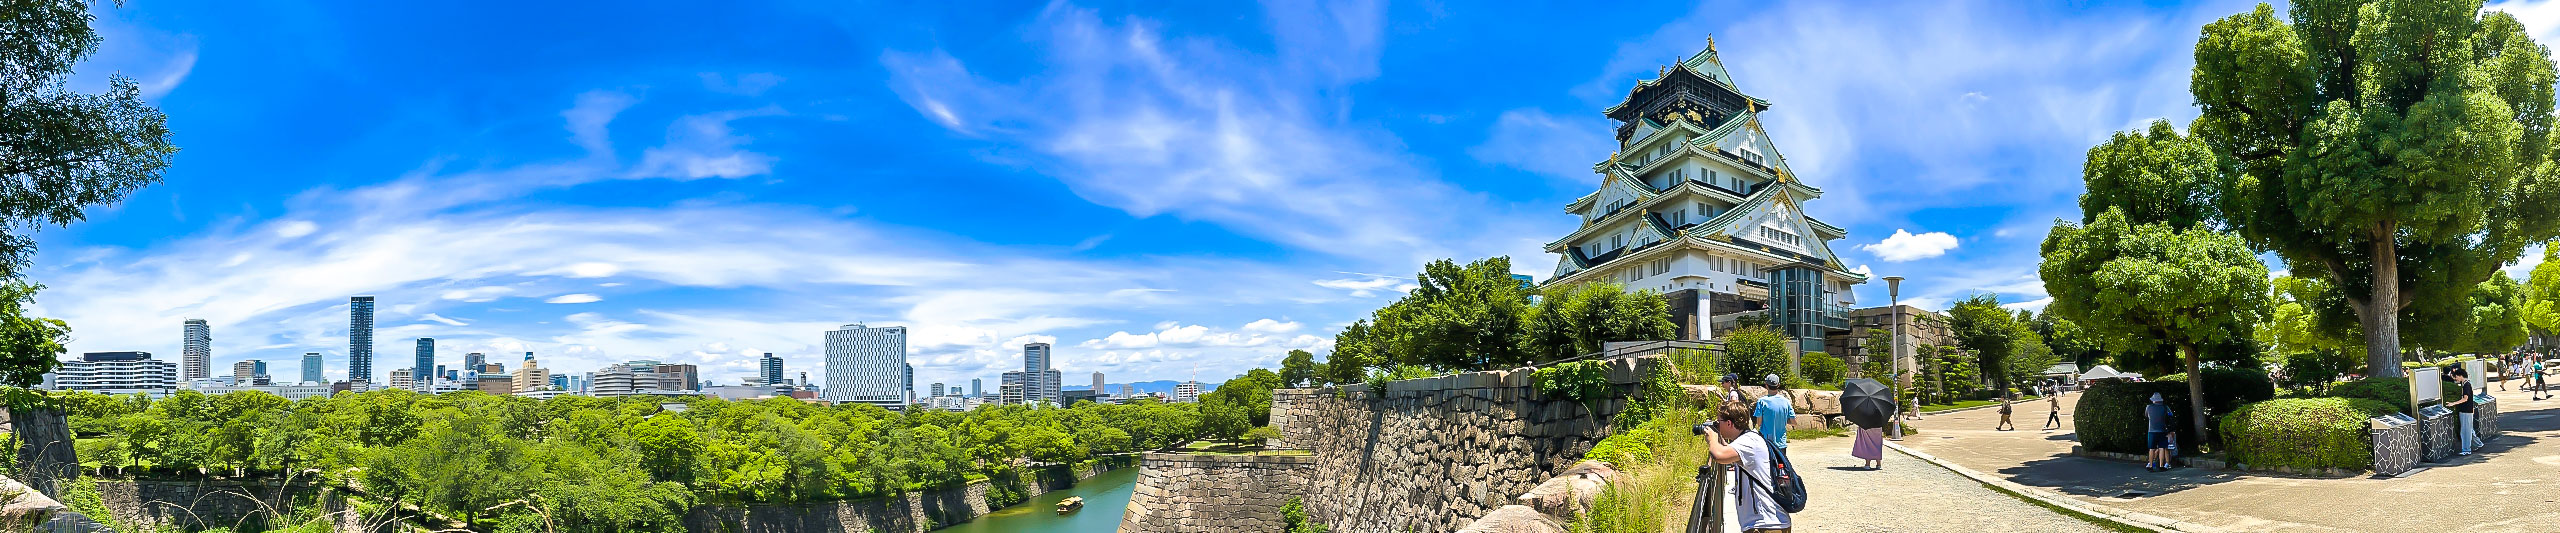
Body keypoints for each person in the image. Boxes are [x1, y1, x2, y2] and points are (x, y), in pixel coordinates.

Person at [1706, 401, 1792, 532]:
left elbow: (1719, 455)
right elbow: (1727, 450)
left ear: (1729, 423)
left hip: (1766, 525)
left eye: (1718, 422)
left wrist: (1712, 438)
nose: (1717, 426)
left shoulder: (1748, 442)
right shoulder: (1749, 439)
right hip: (1765, 523)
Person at [1754, 374, 1794, 450]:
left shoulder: (1762, 401)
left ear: (1766, 385)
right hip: (1781, 442)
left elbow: (1759, 423)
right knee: (1781, 462)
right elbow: (1793, 422)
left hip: (1767, 442)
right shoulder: (1786, 401)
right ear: (1778, 385)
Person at [2449, 367, 2478, 456]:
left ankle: (2466, 449)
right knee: (2469, 430)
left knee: (2465, 431)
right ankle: (2478, 444)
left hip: (2465, 411)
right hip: (2467, 410)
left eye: (2456, 377)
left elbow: (2465, 398)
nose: (2455, 379)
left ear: (2460, 376)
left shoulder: (2466, 385)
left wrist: (2453, 403)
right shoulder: (2466, 384)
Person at [2143, 392, 2172, 472]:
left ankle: (2151, 466)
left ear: (2153, 400)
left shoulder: (2148, 407)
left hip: (2151, 430)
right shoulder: (2165, 407)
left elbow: (2146, 415)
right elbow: (2171, 415)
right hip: (2162, 430)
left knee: (2151, 449)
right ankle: (2161, 466)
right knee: (2162, 448)